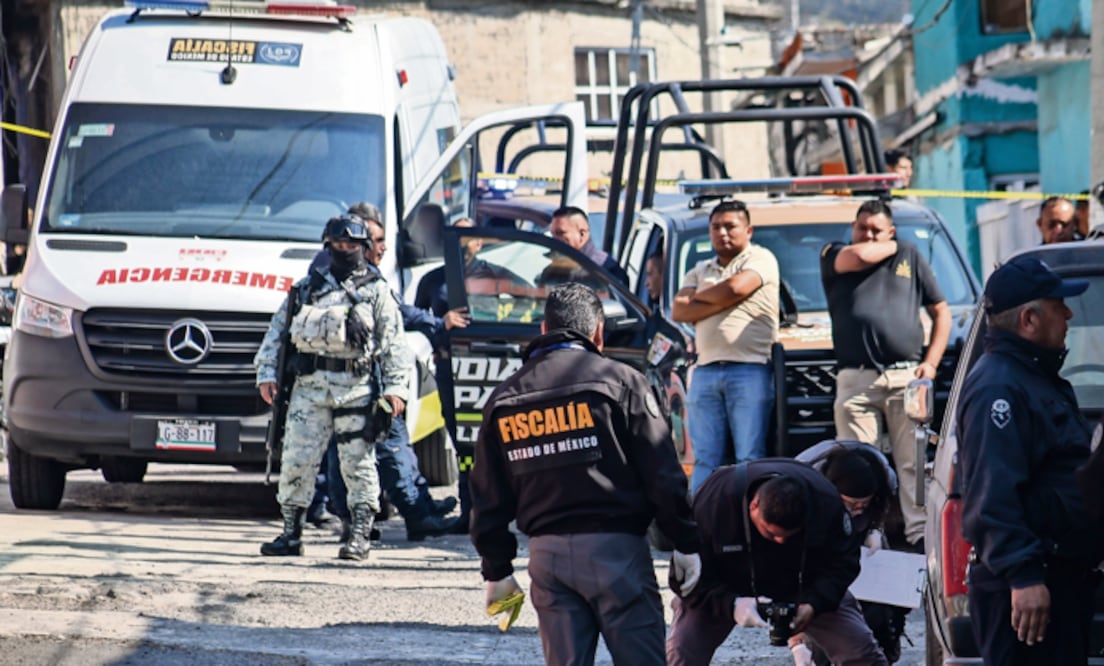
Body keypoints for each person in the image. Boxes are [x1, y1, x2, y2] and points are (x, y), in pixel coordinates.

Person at [470, 282, 701, 665]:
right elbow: (663, 473)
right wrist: (685, 540)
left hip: (547, 560)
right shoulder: (622, 382)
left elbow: (486, 495)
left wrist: (496, 569)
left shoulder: (505, 397)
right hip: (617, 554)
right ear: (598, 333)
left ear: (543, 330)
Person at [958, 255, 1099, 665]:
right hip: (1028, 590)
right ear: (1030, 320)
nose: (1069, 314)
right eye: (1059, 306)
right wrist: (1023, 575)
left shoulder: (1031, 377)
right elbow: (992, 494)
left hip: (1059, 578)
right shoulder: (999, 387)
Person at [255, 214, 411, 560]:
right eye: (338, 245)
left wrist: (396, 390)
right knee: (296, 460)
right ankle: (291, 531)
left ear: (363, 248)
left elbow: (395, 344)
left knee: (358, 464)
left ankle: (359, 534)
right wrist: (267, 373)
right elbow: (277, 334)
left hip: (356, 388)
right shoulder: (307, 287)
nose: (345, 251)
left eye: (352, 246)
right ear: (328, 247)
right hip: (309, 389)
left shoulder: (376, 290)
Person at [820, 199, 950, 553]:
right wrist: (894, 243)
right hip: (856, 380)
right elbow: (860, 257)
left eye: (877, 230)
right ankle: (865, 534)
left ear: (890, 230)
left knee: (913, 464)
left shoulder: (909, 256)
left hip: (906, 377)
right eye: (862, 228)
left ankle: (920, 538)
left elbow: (941, 311)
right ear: (853, 228)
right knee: (860, 464)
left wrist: (932, 363)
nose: (868, 236)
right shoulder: (835, 253)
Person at [666, 459, 887, 666]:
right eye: (772, 535)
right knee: (681, 652)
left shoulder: (825, 503)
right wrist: (731, 605)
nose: (781, 541)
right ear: (754, 506)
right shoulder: (713, 505)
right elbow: (685, 579)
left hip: (803, 583)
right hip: (726, 583)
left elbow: (844, 563)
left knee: (860, 650)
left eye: (790, 536)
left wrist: (815, 603)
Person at [672, 200, 780, 492]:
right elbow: (679, 310)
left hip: (750, 369)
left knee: (749, 457)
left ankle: (750, 523)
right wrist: (724, 296)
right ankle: (705, 528)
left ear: (748, 230)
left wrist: (703, 297)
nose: (722, 232)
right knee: (706, 459)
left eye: (730, 226)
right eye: (716, 227)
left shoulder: (760, 259)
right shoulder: (700, 267)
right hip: (705, 371)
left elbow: (737, 287)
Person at [796, 441, 907, 663]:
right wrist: (796, 642)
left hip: (864, 533)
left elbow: (884, 505)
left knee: (881, 597)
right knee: (822, 596)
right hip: (819, 532)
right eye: (852, 504)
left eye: (863, 505)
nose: (857, 510)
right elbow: (796, 573)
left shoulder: (885, 477)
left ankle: (884, 643)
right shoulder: (804, 484)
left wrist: (875, 528)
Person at [544, 206, 629, 286]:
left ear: (582, 234)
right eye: (553, 234)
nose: (554, 238)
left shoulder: (607, 271)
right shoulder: (554, 270)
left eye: (560, 233)